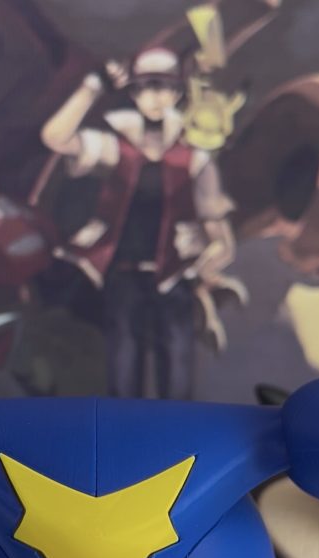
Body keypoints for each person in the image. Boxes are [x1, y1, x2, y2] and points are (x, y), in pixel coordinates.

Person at [41, 47, 241, 399]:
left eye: (165, 87)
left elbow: (218, 231)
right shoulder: (116, 146)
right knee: (123, 378)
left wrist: (210, 260)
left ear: (177, 92)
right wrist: (92, 86)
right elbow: (55, 138)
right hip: (124, 277)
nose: (155, 97)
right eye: (146, 87)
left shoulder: (196, 156)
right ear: (133, 93)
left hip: (175, 279)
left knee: (177, 383)